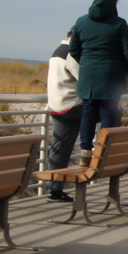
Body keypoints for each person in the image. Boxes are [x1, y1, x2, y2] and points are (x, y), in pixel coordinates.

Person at [68, 0, 128, 162]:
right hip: (111, 78)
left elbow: (73, 49)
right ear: (114, 3)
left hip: (88, 79)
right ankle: (104, 152)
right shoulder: (119, 24)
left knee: (88, 113)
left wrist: (86, 64)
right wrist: (122, 70)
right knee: (108, 114)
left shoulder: (81, 22)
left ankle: (85, 150)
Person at [44, 30, 82, 203]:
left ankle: (55, 189)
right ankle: (100, 162)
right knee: (110, 114)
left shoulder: (57, 52)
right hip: (71, 106)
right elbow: (85, 79)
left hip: (56, 105)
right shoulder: (70, 54)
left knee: (60, 147)